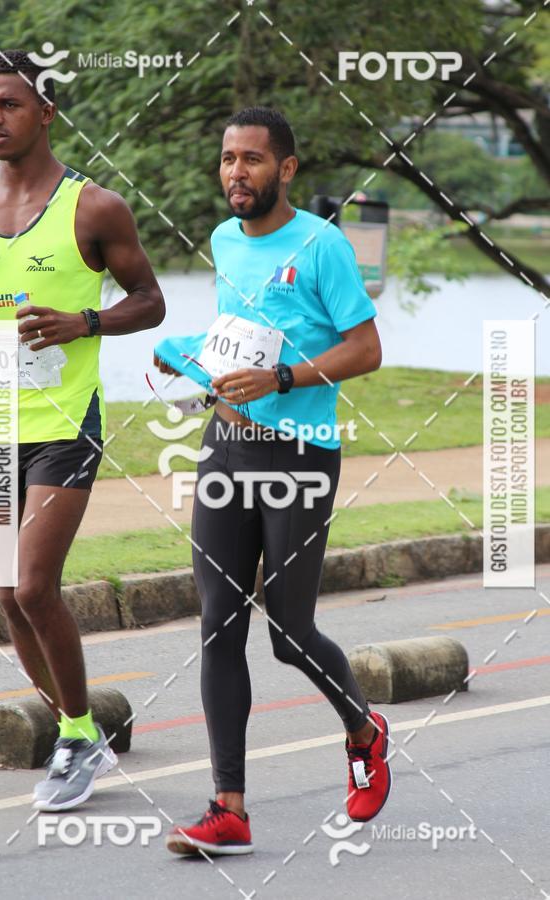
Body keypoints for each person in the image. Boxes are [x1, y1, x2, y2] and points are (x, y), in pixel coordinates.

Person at [155, 107, 390, 857]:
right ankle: (229, 809)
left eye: (252, 159)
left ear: (286, 168)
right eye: (228, 158)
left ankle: (363, 728)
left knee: (289, 635)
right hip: (224, 447)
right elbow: (240, 328)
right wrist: (185, 355)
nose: (236, 173)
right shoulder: (225, 240)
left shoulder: (323, 247)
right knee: (219, 626)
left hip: (301, 457)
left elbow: (366, 348)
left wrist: (284, 377)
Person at [0, 49, 165, 811]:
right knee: (6, 594)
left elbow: (151, 301)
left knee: (36, 583)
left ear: (45, 111)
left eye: (8, 104)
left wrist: (86, 321)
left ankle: (76, 742)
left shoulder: (93, 207)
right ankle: (79, 728)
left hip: (66, 424)